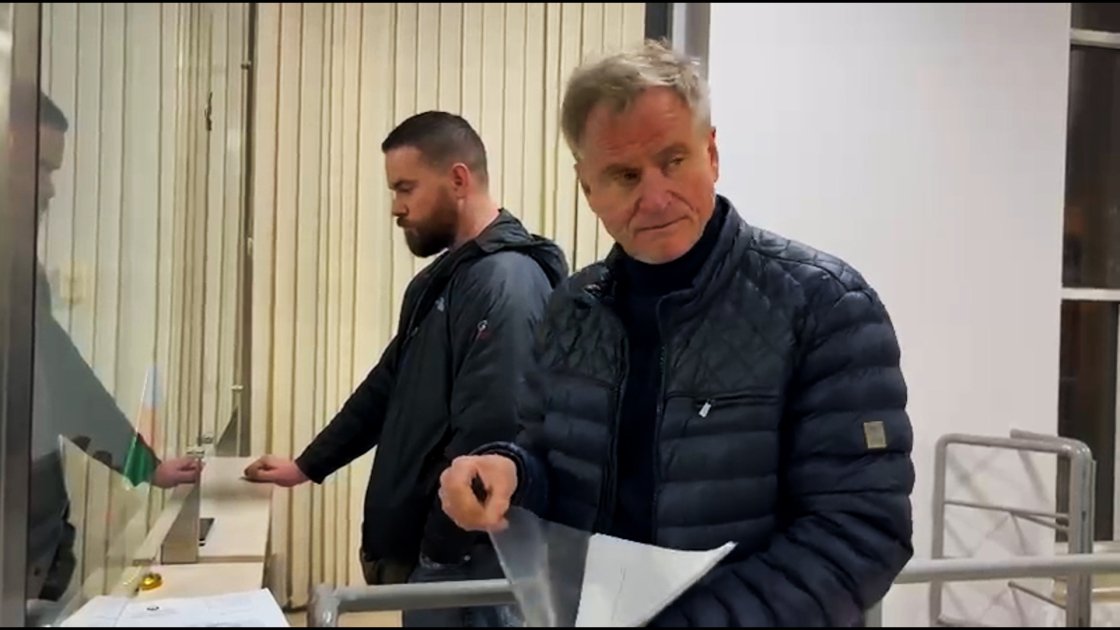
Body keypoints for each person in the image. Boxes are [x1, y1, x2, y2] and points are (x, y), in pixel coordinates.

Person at [439, 40, 915, 626]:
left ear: (711, 154)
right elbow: (550, 461)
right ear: (587, 188)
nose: (657, 197)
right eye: (625, 175)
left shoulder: (824, 306)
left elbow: (860, 535)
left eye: (673, 161)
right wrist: (508, 473)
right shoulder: (572, 310)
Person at [244, 112, 568, 626]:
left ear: (458, 179)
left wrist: (438, 551)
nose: (396, 207)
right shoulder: (444, 281)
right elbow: (387, 386)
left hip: (469, 565)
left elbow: (494, 433)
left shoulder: (506, 282)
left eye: (405, 188)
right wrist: (307, 465)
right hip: (441, 563)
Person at [12, 89, 203, 607]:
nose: (50, 189)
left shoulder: (18, 270)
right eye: (40, 167)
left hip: (38, 553)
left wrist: (147, 467)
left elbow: (65, 383)